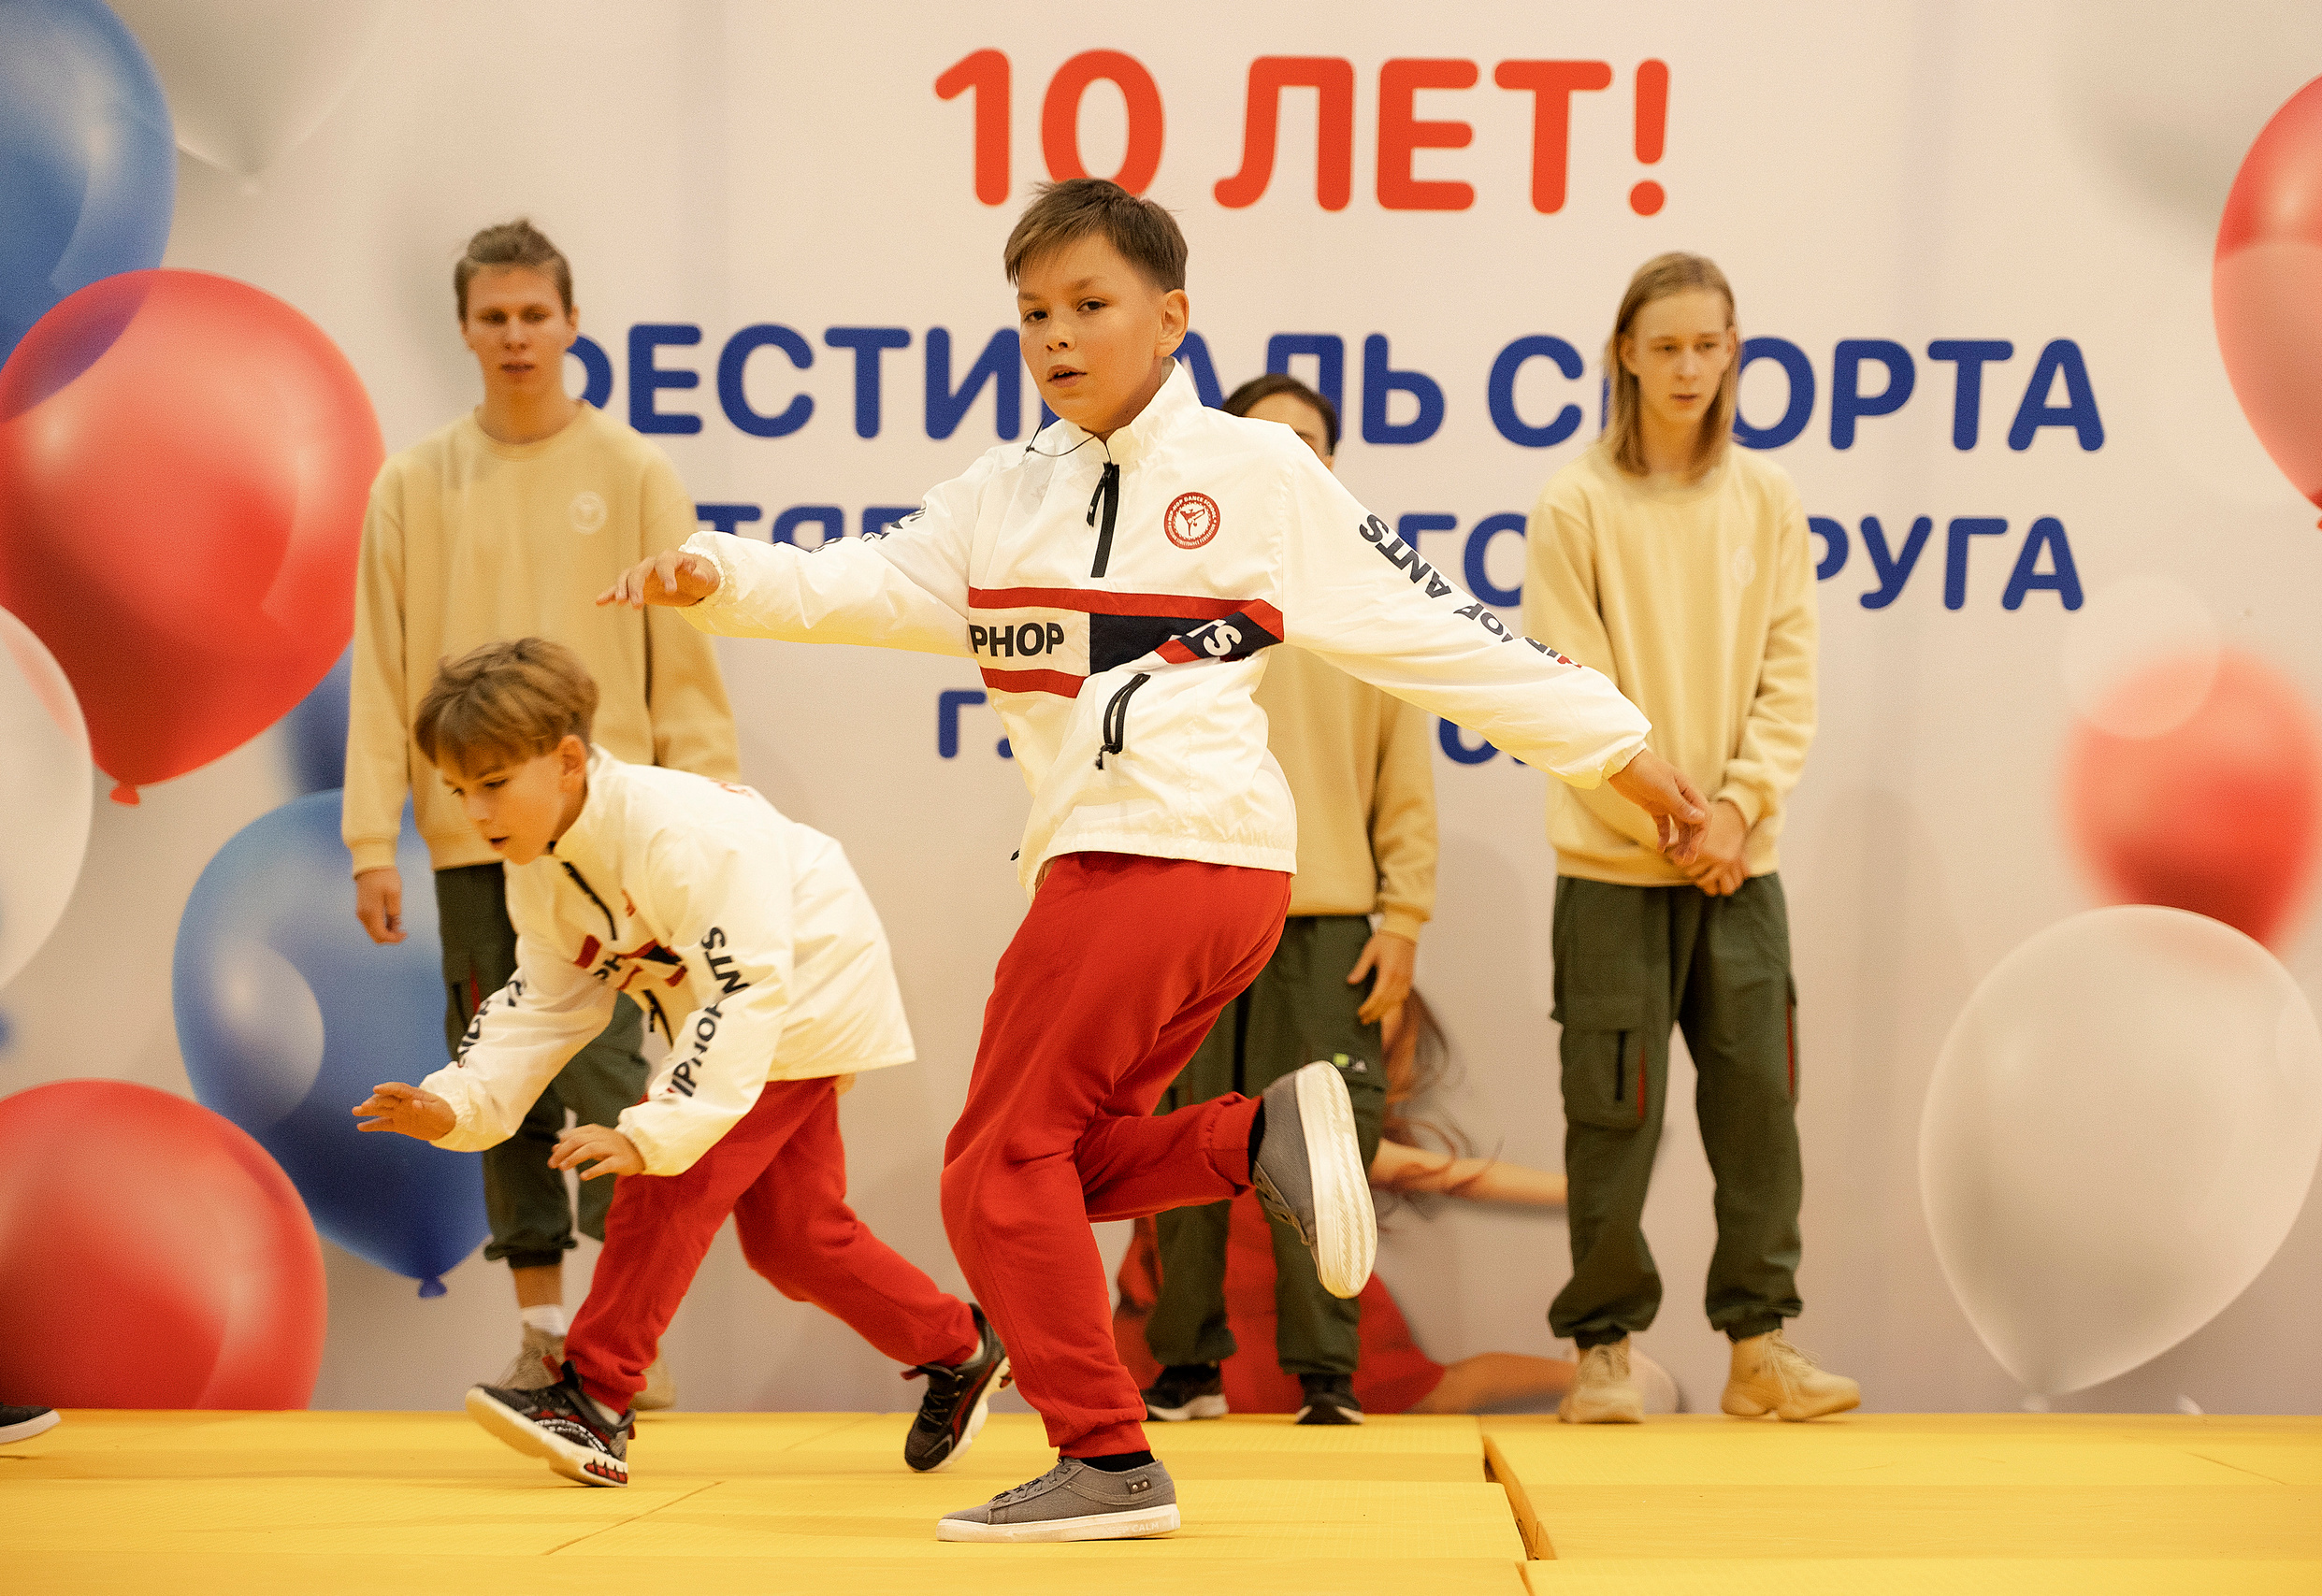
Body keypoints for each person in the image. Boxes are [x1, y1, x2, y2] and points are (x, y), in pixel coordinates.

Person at [603, 178, 1709, 1544]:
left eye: (1088, 305)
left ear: (1172, 317)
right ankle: (1257, 1132)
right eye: (1032, 315)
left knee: (990, 1168)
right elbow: (870, 582)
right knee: (1049, 1161)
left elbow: (1443, 635)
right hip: (1155, 877)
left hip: (1170, 853)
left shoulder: (1257, 474)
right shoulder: (1003, 493)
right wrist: (723, 575)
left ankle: (1109, 1456)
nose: (1056, 336)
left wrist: (1621, 751)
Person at [353, 639, 1007, 1488]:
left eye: (494, 783)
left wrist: (655, 1130)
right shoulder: (540, 865)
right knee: (793, 1238)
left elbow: (747, 990)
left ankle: (594, 1396)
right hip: (748, 1003)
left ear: (567, 760)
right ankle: (959, 1345)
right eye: (458, 790)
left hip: (803, 984)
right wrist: (458, 1102)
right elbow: (545, 998)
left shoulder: (680, 833)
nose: (475, 812)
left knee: (667, 1174)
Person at [343, 220, 740, 1404]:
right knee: (496, 1074)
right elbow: (382, 665)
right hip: (474, 837)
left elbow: (687, 661)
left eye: (534, 314)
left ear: (571, 322)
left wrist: (708, 801)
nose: (515, 337)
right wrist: (374, 837)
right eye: (493, 317)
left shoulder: (633, 475)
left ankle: (625, 1341)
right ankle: (544, 1327)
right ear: (465, 330)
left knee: (620, 1071)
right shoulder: (415, 483)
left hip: (614, 838)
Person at [1523, 252, 1859, 1426]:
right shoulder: (1576, 504)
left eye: (1706, 344)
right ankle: (1603, 1353)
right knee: (1611, 1114)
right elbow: (1565, 692)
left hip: (1738, 867)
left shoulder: (1765, 502)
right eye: (1662, 345)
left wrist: (1736, 812)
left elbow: (1789, 680)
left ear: (1734, 352)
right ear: (1623, 352)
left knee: (1758, 1106)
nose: (1685, 367)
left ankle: (1761, 1349)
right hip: (1614, 869)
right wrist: (1672, 817)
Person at [1140, 373, 1435, 1430]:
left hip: (1326, 927)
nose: (1289, 459)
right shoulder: (1167, 582)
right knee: (1178, 1139)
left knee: (1326, 1156)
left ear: (1332, 464)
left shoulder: (1371, 597)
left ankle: (1326, 1375)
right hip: (1194, 905)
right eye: (1266, 442)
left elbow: (1406, 774)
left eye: (1308, 443)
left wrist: (1403, 917)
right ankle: (1185, 1366)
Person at [1118, 993, 1683, 1419]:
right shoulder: (1198, 1105)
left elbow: (1459, 1177)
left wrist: (1587, 1188)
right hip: (1205, 1319)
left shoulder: (1316, 1137)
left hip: (1291, 1312)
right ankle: (1583, 1372)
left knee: (1429, 1392)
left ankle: (1582, 1373)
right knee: (1429, 1393)